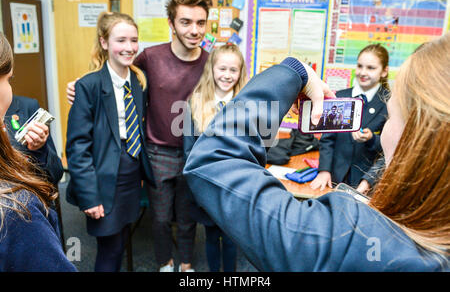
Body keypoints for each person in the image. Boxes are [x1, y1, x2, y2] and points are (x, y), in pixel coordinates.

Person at [183, 32, 450, 271]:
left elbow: (214, 158)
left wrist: (293, 72)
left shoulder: (354, 239)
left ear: (419, 141)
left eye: (392, 115)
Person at [66, 0, 213, 272]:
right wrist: (80, 85)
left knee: (187, 217)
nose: (194, 30)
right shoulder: (149, 58)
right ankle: (164, 263)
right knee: (157, 219)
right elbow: (112, 73)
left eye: (200, 22)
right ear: (171, 24)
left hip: (194, 153)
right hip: (155, 152)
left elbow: (230, 89)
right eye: (185, 21)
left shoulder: (211, 63)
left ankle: (185, 264)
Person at [65, 12, 154, 272]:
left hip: (129, 172)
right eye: (121, 40)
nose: (129, 47)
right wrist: (89, 197)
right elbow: (77, 148)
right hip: (102, 177)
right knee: (110, 247)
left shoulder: (138, 82)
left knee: (123, 238)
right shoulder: (88, 86)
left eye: (134, 40)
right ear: (104, 43)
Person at [0, 32, 76, 271]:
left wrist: (41, 148)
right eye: (8, 79)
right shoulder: (18, 209)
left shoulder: (29, 107)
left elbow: (54, 175)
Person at [183, 44, 248, 272]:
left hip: (234, 187)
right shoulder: (196, 102)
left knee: (231, 240)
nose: (227, 75)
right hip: (207, 185)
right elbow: (189, 151)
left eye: (233, 70)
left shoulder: (246, 104)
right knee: (211, 237)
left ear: (240, 73)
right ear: (211, 69)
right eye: (222, 68)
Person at [310, 44, 390, 191]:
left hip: (366, 181)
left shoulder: (388, 102)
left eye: (371, 68)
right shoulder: (340, 96)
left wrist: (372, 139)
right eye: (360, 66)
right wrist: (324, 170)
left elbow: (389, 149)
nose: (363, 72)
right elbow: (328, 138)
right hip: (335, 176)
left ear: (384, 71)